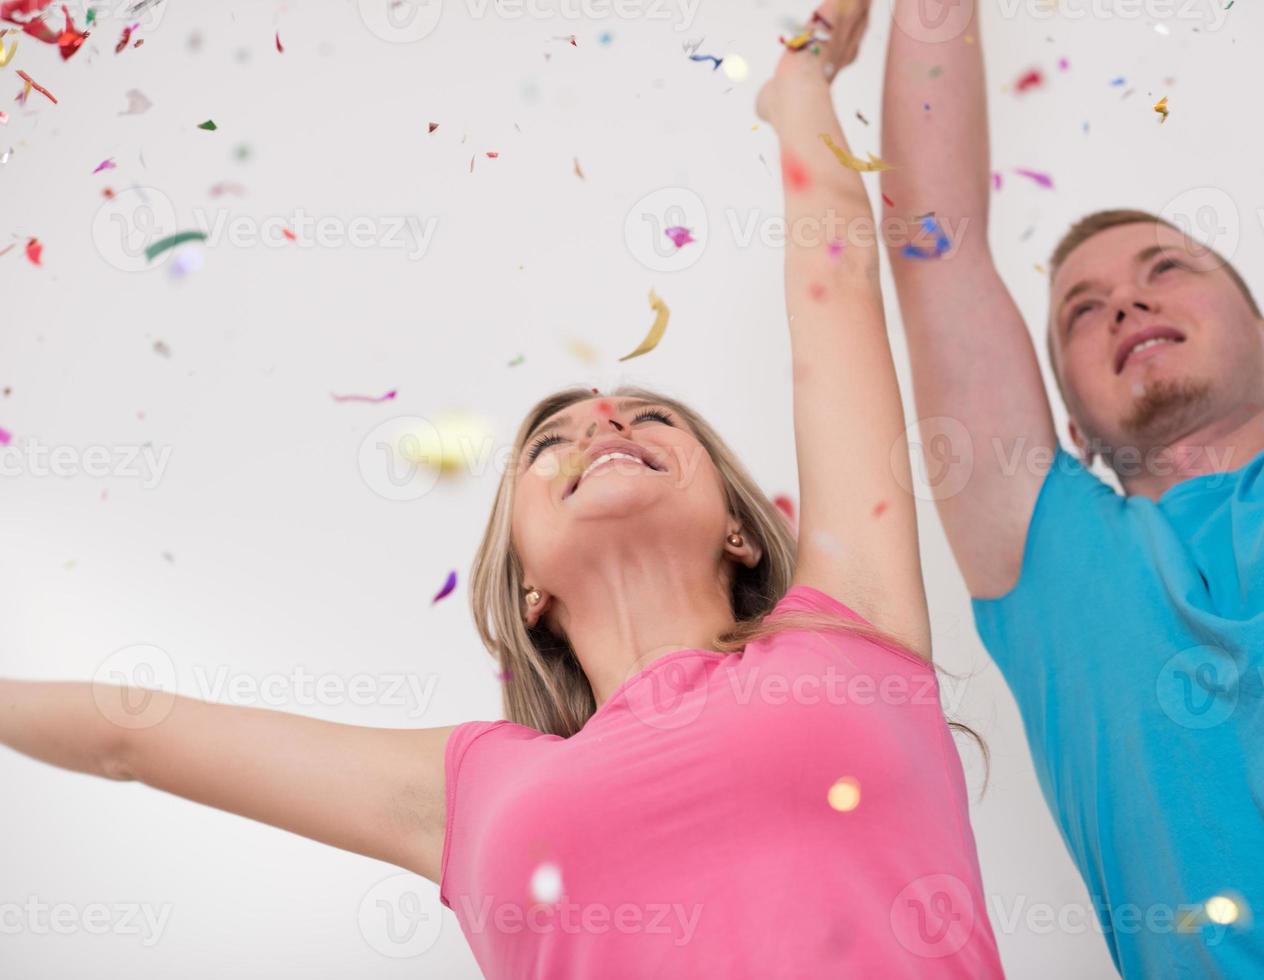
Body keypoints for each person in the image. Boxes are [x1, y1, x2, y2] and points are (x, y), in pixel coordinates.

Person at [0, 11, 1006, 977]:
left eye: (651, 418)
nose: (605, 421)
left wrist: (798, 87)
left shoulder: (851, 619)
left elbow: (832, 280)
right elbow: (128, 732)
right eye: (552, 442)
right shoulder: (473, 788)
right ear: (525, 583)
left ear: (743, 528)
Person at [874, 0, 1264, 975]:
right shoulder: (1052, 558)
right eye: (1083, 313)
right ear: (1071, 429)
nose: (1127, 303)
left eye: (1166, 269)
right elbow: (936, 245)